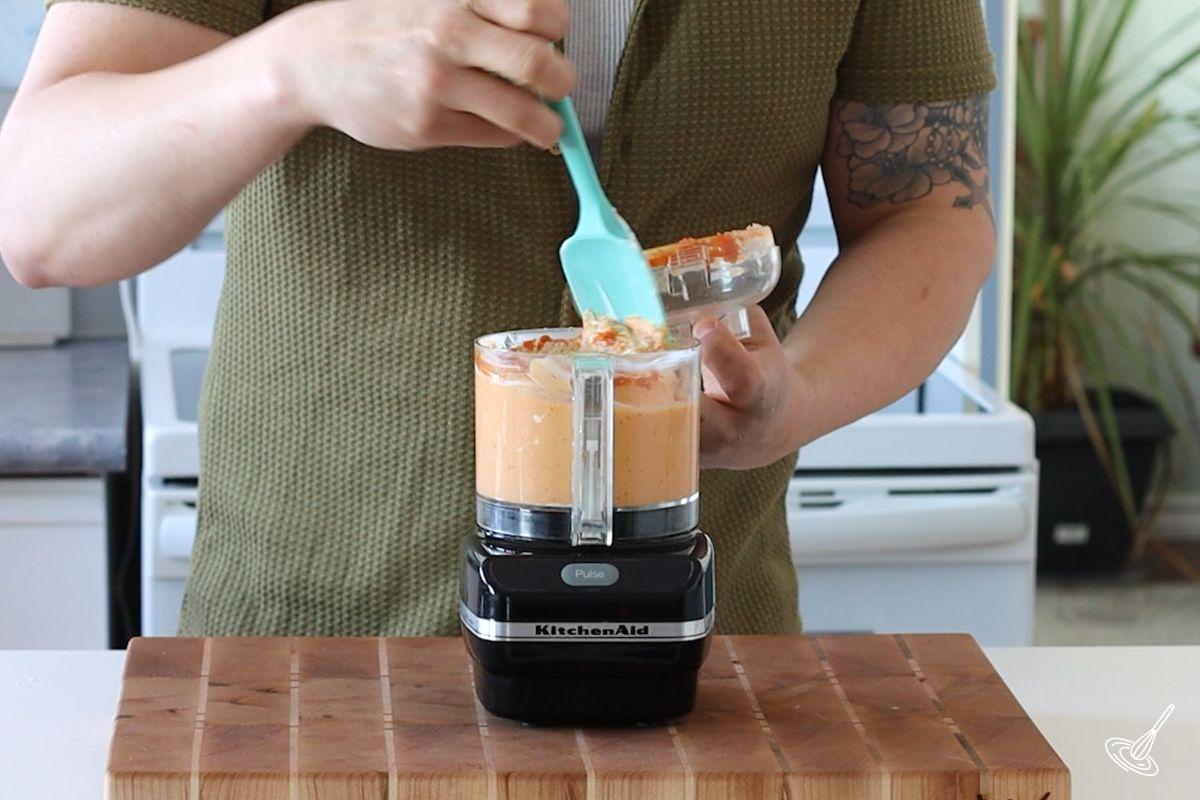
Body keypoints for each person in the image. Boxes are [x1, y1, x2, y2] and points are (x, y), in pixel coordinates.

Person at [0, 0, 997, 636]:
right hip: (314, 659)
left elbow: (927, 214)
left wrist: (797, 398)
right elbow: (41, 213)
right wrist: (293, 68)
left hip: (701, 658)